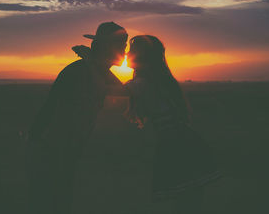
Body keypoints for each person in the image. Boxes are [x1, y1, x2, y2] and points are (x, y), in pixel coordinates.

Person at [73, 35, 221, 214]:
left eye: (132, 51)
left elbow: (108, 89)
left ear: (142, 57)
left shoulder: (142, 84)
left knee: (186, 199)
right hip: (184, 140)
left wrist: (92, 61)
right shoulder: (158, 80)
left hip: (174, 144)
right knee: (190, 197)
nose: (127, 53)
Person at [27, 21, 128, 214]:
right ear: (107, 47)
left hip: (64, 149)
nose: (125, 51)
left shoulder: (98, 72)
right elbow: (60, 117)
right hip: (51, 147)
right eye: (121, 46)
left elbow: (124, 93)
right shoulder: (80, 72)